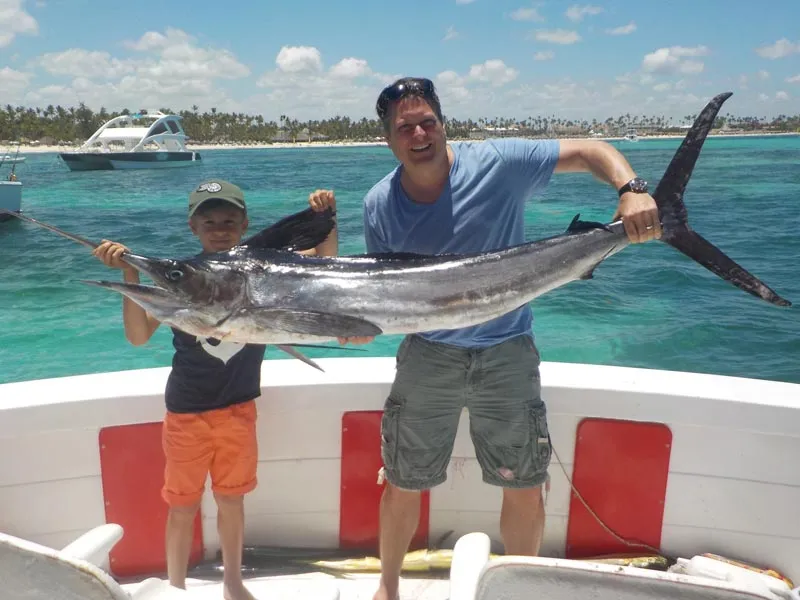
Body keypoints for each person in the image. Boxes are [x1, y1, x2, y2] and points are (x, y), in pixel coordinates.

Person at [347, 77, 663, 600]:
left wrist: (632, 191)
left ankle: (521, 591)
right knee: (403, 478)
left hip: (508, 352)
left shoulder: (497, 163)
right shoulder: (379, 203)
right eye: (405, 127)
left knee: (522, 482)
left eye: (428, 122)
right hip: (429, 355)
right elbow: (389, 292)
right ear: (388, 138)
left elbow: (590, 151)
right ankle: (387, 589)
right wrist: (361, 325)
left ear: (443, 124)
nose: (419, 133)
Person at [93, 180, 339, 600]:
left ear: (245, 224)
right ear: (193, 226)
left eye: (229, 220)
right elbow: (138, 336)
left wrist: (325, 216)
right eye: (209, 220)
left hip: (238, 409)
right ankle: (174, 587)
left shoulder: (265, 269)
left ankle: (232, 583)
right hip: (187, 411)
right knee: (182, 505)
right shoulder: (180, 277)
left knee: (231, 501)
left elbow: (324, 263)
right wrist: (129, 272)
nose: (219, 228)